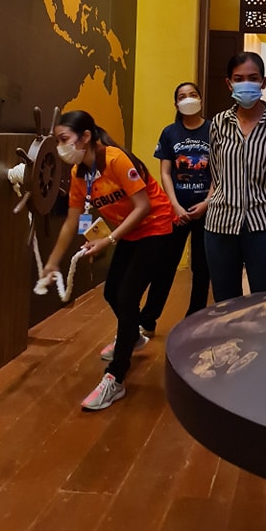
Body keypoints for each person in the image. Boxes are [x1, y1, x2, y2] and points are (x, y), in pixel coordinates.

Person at [42, 110, 177, 411]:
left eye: (64, 139)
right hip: (129, 232)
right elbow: (73, 220)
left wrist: (109, 240)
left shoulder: (115, 160)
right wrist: (53, 262)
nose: (61, 147)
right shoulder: (79, 174)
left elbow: (143, 207)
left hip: (157, 227)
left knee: (127, 297)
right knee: (112, 292)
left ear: (85, 136)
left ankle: (115, 378)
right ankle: (133, 337)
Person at [204, 51, 266, 302]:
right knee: (225, 303)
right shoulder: (218, 124)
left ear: (263, 82)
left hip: (265, 228)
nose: (246, 83)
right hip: (220, 227)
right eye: (238, 79)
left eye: (253, 78)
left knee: (265, 302)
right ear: (229, 83)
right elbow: (217, 175)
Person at [139, 81, 211, 329]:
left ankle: (194, 319)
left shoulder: (214, 130)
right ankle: (148, 319)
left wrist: (207, 202)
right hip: (177, 212)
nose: (188, 99)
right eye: (182, 96)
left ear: (200, 99)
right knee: (165, 266)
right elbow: (165, 173)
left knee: (202, 268)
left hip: (206, 211)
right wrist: (175, 206)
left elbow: (221, 172)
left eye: (192, 94)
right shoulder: (170, 132)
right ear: (176, 103)